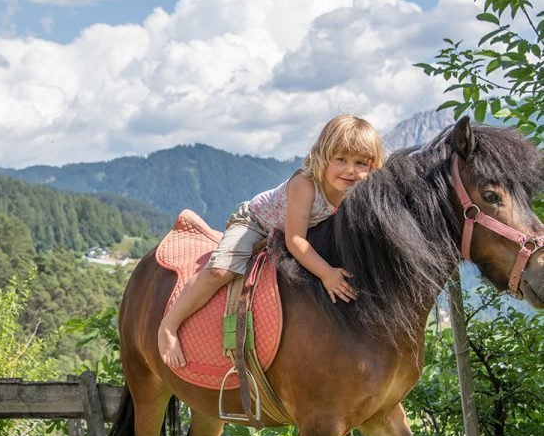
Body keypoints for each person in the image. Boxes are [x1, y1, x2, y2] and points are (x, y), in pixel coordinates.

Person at [158, 114, 385, 368]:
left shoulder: (355, 191)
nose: (350, 170)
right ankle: (169, 325)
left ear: (373, 166)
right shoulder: (305, 184)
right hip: (257, 224)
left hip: (305, 229)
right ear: (322, 157)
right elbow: (295, 240)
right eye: (341, 159)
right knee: (222, 270)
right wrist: (327, 273)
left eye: (361, 163)